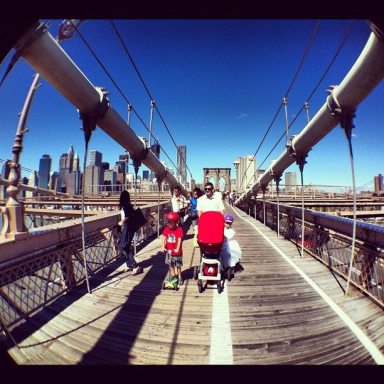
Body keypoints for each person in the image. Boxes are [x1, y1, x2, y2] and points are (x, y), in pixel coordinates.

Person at [118, 190, 143, 275]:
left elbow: (128, 216)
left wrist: (121, 222)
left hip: (128, 228)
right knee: (126, 247)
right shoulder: (127, 205)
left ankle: (135, 266)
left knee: (124, 247)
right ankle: (130, 266)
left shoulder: (126, 206)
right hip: (128, 228)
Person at [161, 212, 184, 286]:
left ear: (175, 222)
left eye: (171, 222)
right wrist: (162, 246)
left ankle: (180, 276)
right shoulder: (166, 229)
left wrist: (177, 248)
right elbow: (164, 238)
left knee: (178, 265)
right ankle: (174, 276)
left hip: (177, 252)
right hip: (169, 252)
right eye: (168, 222)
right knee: (171, 265)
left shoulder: (179, 229)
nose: (169, 224)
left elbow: (180, 239)